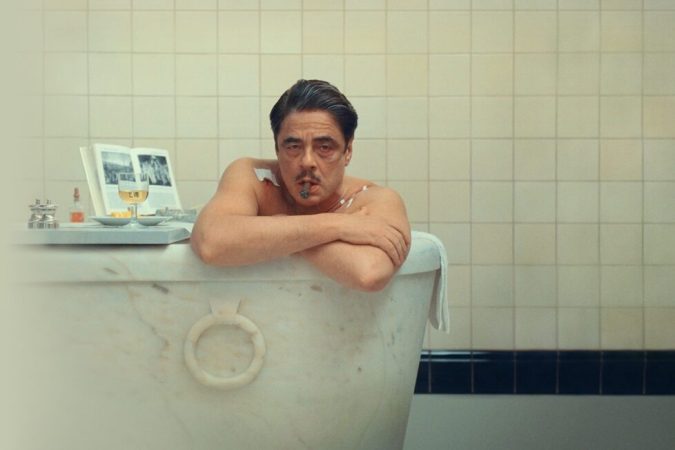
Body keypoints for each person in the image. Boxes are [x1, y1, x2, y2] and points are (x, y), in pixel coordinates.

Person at [190, 79, 410, 292]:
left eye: (324, 147)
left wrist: (277, 231)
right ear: (277, 149)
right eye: (293, 147)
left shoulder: (374, 199)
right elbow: (210, 242)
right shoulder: (254, 177)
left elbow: (369, 273)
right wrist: (339, 226)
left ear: (348, 151)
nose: (307, 162)